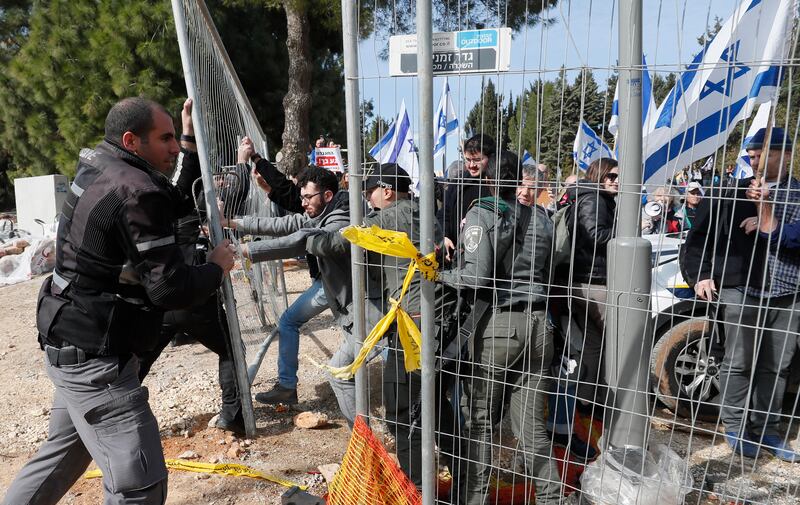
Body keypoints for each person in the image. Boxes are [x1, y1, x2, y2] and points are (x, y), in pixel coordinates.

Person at [2, 97, 237, 505]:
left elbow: (172, 193)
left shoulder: (101, 166)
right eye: (165, 139)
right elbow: (169, 290)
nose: (174, 148)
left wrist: (187, 135)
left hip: (68, 339)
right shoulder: (136, 190)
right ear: (132, 140)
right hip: (97, 362)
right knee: (140, 487)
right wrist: (216, 267)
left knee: (59, 460)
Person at [439, 151, 556, 505]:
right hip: (539, 324)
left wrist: (440, 273)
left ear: (488, 179)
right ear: (516, 179)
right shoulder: (542, 218)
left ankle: (473, 500)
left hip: (499, 326)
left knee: (480, 425)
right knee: (534, 433)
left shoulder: (482, 213)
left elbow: (476, 276)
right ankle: (554, 499)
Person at [683, 127, 800, 462]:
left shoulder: (797, 194)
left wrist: (764, 214)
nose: (754, 158)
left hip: (788, 292)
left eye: (762, 152)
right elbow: (698, 237)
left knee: (776, 367)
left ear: (787, 155)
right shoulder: (728, 192)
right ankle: (735, 427)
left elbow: (791, 238)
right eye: (750, 153)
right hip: (739, 290)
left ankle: (768, 431)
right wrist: (701, 274)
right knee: (738, 362)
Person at [225, 147, 347, 408]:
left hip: (346, 289)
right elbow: (285, 225)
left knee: (376, 343)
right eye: (301, 197)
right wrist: (234, 222)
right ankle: (287, 387)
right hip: (331, 285)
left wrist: (245, 250)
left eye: (307, 197)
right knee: (289, 321)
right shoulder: (323, 212)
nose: (302, 203)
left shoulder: (340, 218)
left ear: (327, 195)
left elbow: (299, 241)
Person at [554, 158, 619, 415]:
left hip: (583, 278)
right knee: (615, 341)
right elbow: (595, 234)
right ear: (599, 175)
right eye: (611, 176)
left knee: (594, 343)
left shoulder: (587, 196)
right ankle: (608, 401)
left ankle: (586, 401)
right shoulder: (594, 198)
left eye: (617, 177)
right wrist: (625, 232)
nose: (616, 181)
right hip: (593, 280)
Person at [437, 134, 496, 261]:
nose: (471, 165)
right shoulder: (458, 183)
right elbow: (443, 214)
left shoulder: (497, 186)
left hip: (485, 258)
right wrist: (444, 236)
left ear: (491, 158)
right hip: (454, 257)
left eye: (477, 160)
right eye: (468, 160)